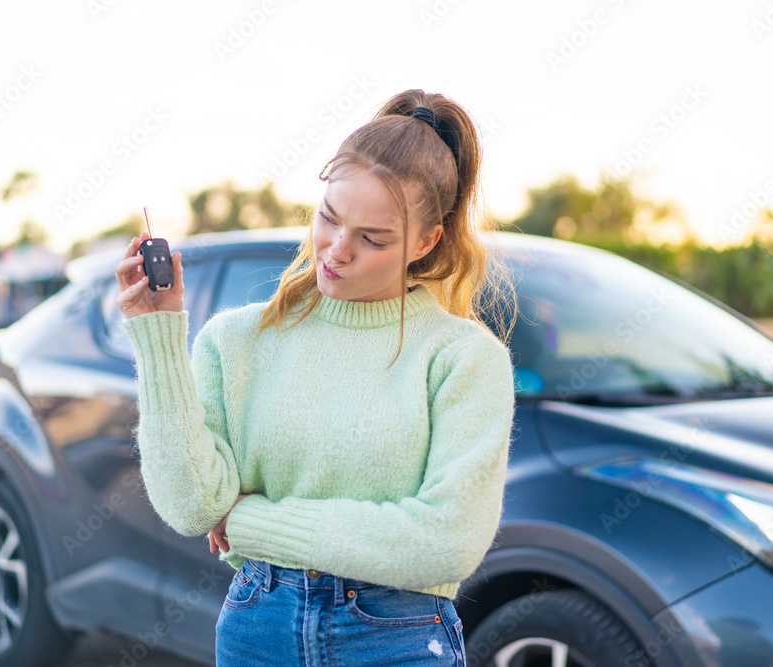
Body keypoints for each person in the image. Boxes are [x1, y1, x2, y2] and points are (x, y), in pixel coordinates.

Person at [115, 89, 518, 667]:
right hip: (259, 628)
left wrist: (250, 521)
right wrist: (157, 339)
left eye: (373, 238)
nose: (337, 250)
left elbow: (447, 541)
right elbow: (191, 506)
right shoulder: (236, 342)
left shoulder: (462, 359)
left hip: (396, 640)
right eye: (328, 218)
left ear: (426, 242)